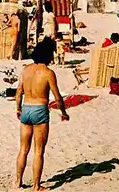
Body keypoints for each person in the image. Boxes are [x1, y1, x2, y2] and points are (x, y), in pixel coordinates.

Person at [15, 38, 69, 191]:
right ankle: (36, 186)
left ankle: (18, 182)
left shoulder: (26, 70)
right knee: (39, 151)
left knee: (23, 149)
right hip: (39, 110)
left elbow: (19, 93)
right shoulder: (48, 73)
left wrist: (17, 109)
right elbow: (57, 98)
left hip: (26, 108)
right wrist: (64, 113)